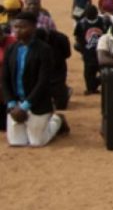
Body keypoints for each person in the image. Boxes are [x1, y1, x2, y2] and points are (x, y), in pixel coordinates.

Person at [3, 12, 70, 147]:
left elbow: (43, 81)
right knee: (17, 142)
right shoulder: (11, 49)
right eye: (15, 27)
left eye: (23, 27)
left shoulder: (44, 50)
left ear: (33, 27)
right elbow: (5, 78)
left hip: (37, 103)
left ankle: (57, 120)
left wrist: (25, 106)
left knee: (37, 142)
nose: (18, 30)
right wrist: (11, 104)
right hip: (16, 103)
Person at [74, 5, 111, 94]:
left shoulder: (104, 22)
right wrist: (82, 50)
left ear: (96, 13)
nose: (90, 15)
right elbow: (78, 37)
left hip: (102, 52)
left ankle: (104, 86)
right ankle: (91, 88)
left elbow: (110, 34)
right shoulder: (81, 23)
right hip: (88, 53)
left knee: (105, 72)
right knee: (88, 73)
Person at [35, 26, 72, 110]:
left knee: (59, 87)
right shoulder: (34, 39)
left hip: (58, 66)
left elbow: (67, 54)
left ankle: (61, 101)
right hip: (41, 66)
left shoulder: (61, 38)